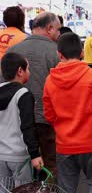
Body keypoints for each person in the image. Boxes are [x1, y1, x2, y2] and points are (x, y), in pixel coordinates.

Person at [43, 33, 92, 193]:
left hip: (64, 144)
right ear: (81, 53)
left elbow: (49, 116)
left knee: (66, 188)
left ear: (59, 54)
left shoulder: (50, 80)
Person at [8, 12, 61, 176]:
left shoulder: (13, 50)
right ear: (50, 28)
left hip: (18, 120)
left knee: (24, 167)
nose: (59, 34)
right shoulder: (57, 52)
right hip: (48, 119)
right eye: (58, 30)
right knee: (51, 165)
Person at [0, 53, 44, 185]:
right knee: (23, 188)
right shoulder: (23, 94)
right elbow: (27, 126)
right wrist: (35, 154)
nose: (29, 72)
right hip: (19, 156)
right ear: (20, 71)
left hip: (0, 154)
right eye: (28, 69)